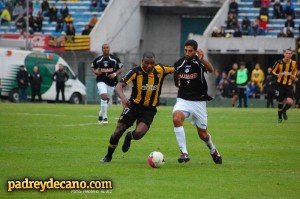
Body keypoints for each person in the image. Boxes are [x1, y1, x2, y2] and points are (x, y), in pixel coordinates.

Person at [100, 52, 174, 163]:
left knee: (139, 133)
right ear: (142, 61)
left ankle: (129, 136)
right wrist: (123, 98)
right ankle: (108, 156)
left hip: (149, 109)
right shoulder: (135, 71)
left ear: (155, 63)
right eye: (146, 63)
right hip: (133, 106)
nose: (149, 66)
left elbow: (178, 69)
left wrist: (179, 81)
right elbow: (119, 86)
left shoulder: (161, 69)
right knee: (118, 130)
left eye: (152, 63)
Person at [172, 40, 222, 164]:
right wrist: (177, 84)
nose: (187, 53)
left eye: (190, 51)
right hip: (183, 99)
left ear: (195, 51)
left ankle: (213, 149)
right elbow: (175, 74)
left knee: (203, 135)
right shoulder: (179, 63)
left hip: (198, 101)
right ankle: (184, 152)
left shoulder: (199, 62)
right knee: (176, 118)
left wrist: (203, 59)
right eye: (186, 50)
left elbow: (211, 70)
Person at [90, 44, 123, 124]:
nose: (105, 49)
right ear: (102, 49)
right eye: (104, 48)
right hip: (101, 80)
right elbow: (92, 66)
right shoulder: (98, 60)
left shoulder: (115, 59)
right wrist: (96, 72)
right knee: (104, 96)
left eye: (107, 48)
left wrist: (114, 74)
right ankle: (105, 117)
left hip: (112, 82)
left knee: (106, 100)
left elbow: (120, 69)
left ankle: (101, 113)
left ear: (109, 49)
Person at [271, 48, 297, 123]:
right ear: (284, 54)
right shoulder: (279, 62)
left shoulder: (294, 63)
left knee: (290, 102)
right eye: (287, 53)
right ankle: (279, 118)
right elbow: (273, 71)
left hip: (289, 85)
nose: (288, 55)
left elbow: (295, 71)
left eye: (289, 53)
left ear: (291, 55)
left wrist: (293, 76)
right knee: (280, 102)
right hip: (280, 85)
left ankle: (284, 111)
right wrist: (277, 75)